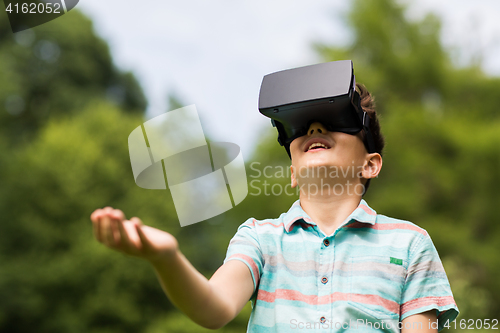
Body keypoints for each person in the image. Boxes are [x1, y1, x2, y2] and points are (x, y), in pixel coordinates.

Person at [91, 83, 458, 332]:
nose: (314, 127)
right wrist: (166, 258)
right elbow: (214, 308)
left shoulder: (410, 244)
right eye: (300, 127)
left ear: (370, 164)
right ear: (293, 174)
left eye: (335, 121)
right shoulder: (260, 239)